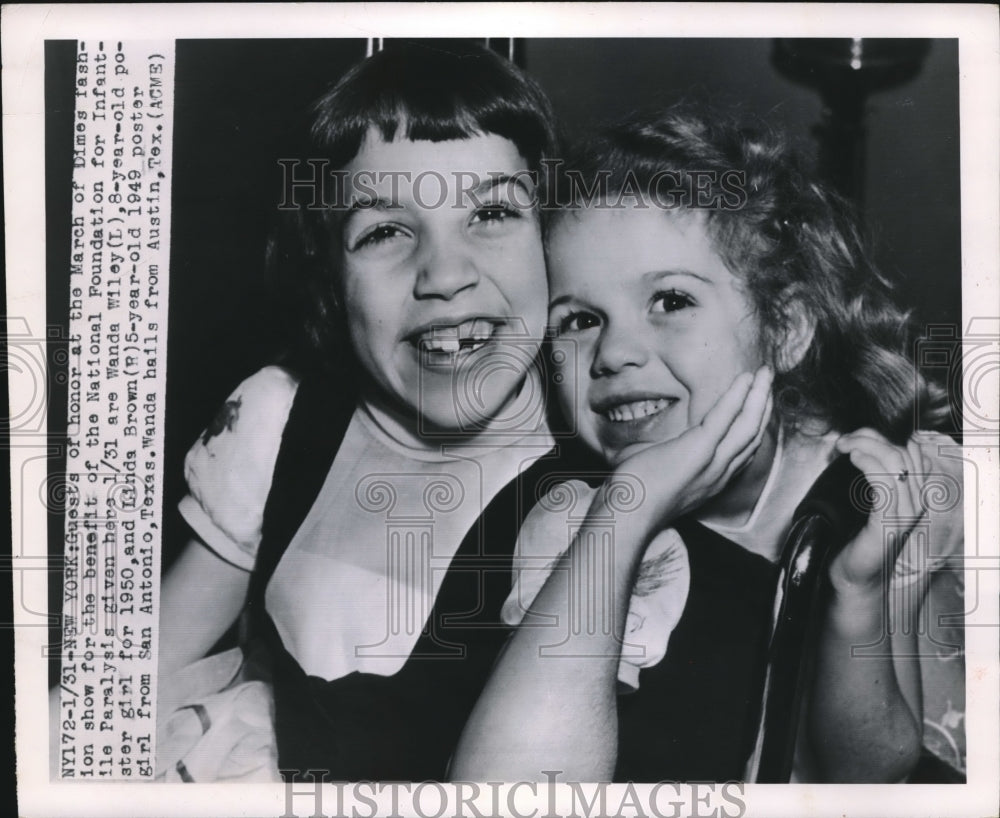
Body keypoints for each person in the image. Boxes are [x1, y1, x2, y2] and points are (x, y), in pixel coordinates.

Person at [450, 107, 965, 783]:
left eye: (669, 300)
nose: (614, 353)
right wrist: (627, 516)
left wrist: (858, 593)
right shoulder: (577, 525)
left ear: (784, 329)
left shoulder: (881, 490)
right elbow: (511, 791)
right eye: (578, 320)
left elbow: (871, 772)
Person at [153, 41, 571, 782]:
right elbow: (137, 674)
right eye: (384, 231)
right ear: (329, 279)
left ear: (552, 238)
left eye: (494, 213)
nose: (444, 274)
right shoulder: (281, 419)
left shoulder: (582, 491)